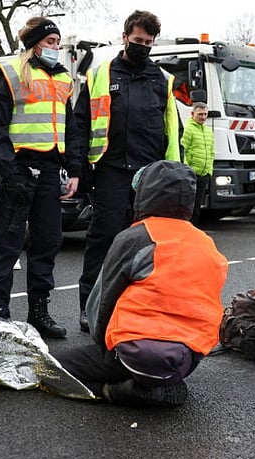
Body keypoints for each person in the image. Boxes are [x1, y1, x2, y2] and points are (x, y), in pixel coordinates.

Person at [53, 160, 227, 406]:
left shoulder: (134, 238)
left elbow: (102, 302)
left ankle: (118, 390)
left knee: (54, 367)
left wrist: (103, 350)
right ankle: (159, 382)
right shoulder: (206, 243)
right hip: (188, 357)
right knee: (157, 364)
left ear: (144, 193)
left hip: (136, 351)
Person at [73, 10, 180, 332]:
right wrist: (80, 167)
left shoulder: (162, 80)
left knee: (146, 245)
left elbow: (171, 130)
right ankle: (89, 307)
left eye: (148, 43)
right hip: (110, 170)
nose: (142, 46)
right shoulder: (101, 74)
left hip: (149, 176)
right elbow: (81, 123)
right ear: (124, 37)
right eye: (137, 41)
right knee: (103, 239)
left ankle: (137, 308)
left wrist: (173, 173)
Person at [0, 17, 80, 338]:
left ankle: (39, 311)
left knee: (47, 242)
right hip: (19, 168)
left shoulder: (63, 78)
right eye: (50, 41)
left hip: (50, 169)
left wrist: (74, 169)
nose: (56, 48)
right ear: (36, 43)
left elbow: (70, 127)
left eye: (57, 42)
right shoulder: (10, 72)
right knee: (9, 244)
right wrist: (9, 172)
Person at [181, 102, 214, 224]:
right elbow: (183, 150)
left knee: (197, 205)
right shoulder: (188, 129)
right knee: (188, 205)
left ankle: (194, 229)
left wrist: (209, 171)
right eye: (200, 114)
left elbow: (211, 152)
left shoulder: (208, 131)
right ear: (192, 114)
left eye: (205, 114)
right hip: (191, 174)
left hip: (203, 174)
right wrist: (187, 171)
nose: (203, 117)